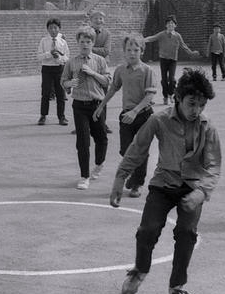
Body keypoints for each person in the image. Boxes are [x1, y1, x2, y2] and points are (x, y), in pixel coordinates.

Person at [110, 68, 221, 294]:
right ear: (178, 98)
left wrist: (202, 192)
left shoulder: (207, 127)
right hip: (163, 184)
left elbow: (214, 165)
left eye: (202, 105)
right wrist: (120, 177)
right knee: (147, 230)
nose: (197, 110)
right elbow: (137, 148)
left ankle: (177, 289)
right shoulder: (159, 120)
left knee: (186, 233)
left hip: (193, 188)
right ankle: (140, 270)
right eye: (192, 103)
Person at [95, 34, 157, 198]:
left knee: (141, 151)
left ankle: (137, 184)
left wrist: (135, 111)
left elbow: (149, 96)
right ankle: (134, 175)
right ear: (124, 51)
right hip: (126, 116)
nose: (132, 53)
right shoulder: (121, 70)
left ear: (141, 51)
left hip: (143, 116)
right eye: (129, 50)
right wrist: (101, 106)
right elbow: (113, 88)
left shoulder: (147, 71)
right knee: (126, 150)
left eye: (136, 50)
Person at [62, 24, 111, 190]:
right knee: (82, 141)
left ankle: (99, 164)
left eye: (88, 41)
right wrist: (69, 83)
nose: (85, 44)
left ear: (92, 43)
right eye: (82, 41)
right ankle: (84, 176)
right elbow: (64, 82)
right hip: (80, 106)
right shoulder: (71, 62)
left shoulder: (100, 61)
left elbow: (107, 81)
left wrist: (92, 72)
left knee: (101, 138)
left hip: (98, 105)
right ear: (78, 42)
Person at [144, 15, 198, 104]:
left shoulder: (177, 36)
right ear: (166, 25)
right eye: (168, 23)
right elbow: (152, 38)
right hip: (163, 59)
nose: (170, 25)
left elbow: (183, 46)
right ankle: (165, 96)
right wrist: (143, 40)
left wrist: (191, 53)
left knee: (172, 79)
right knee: (164, 80)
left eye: (172, 23)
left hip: (173, 59)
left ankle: (171, 94)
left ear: (175, 25)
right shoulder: (162, 34)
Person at [36, 18, 70, 126]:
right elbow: (39, 56)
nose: (53, 30)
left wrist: (59, 58)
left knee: (60, 93)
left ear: (59, 29)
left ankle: (61, 117)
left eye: (55, 28)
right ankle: (43, 116)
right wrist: (49, 54)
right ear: (47, 29)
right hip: (47, 68)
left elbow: (67, 57)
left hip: (59, 69)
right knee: (45, 93)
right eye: (50, 28)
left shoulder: (63, 42)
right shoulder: (43, 41)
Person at [89, 10, 114, 134]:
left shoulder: (107, 34)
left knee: (103, 96)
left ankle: (102, 123)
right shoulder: (86, 32)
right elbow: (83, 48)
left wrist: (90, 48)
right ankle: (86, 124)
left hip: (102, 68)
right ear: (91, 20)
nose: (99, 21)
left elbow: (106, 51)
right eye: (96, 18)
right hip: (88, 66)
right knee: (88, 95)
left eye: (101, 18)